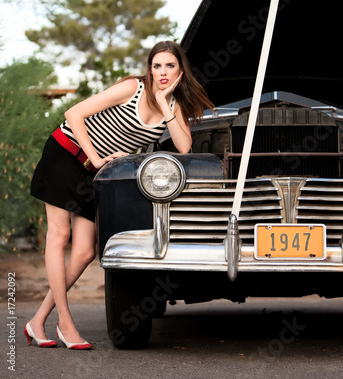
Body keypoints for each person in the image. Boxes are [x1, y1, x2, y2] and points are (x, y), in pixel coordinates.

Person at [25, 40, 215, 350]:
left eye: (170, 66)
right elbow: (74, 113)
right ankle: (65, 322)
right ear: (149, 69)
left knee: (86, 251)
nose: (162, 72)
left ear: (181, 70)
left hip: (93, 173)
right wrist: (96, 158)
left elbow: (184, 147)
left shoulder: (173, 105)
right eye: (157, 66)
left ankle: (37, 321)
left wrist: (166, 103)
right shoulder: (132, 88)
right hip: (66, 153)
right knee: (59, 235)